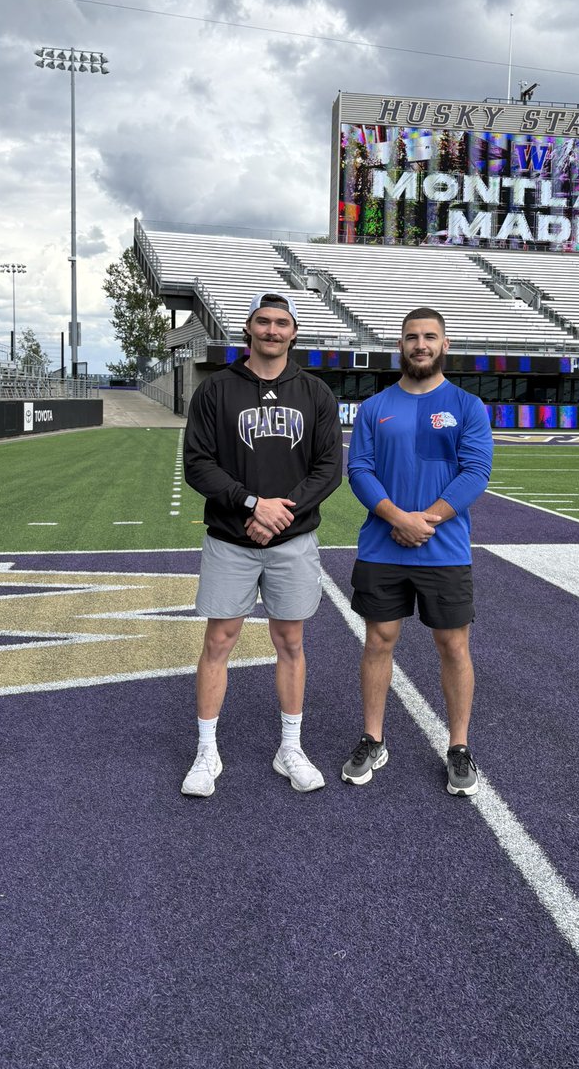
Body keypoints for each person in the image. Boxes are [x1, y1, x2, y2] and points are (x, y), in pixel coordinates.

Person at [182, 291, 342, 797]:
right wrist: (254, 505)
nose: (272, 330)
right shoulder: (216, 390)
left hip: (291, 539)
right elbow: (198, 464)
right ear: (248, 328)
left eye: (282, 323)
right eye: (263, 322)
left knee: (290, 642)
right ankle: (207, 751)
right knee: (219, 641)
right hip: (232, 538)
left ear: (294, 332)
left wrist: (278, 514)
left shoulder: (315, 392)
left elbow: (327, 470)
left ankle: (289, 748)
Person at [342, 307, 493, 796]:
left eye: (430, 337)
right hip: (383, 547)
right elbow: (360, 470)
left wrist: (425, 520)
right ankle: (373, 738)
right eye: (411, 337)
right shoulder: (374, 407)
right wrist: (397, 518)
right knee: (378, 640)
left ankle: (460, 746)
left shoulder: (467, 406)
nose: (420, 345)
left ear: (445, 344)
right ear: (400, 345)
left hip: (444, 549)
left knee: (453, 646)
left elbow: (475, 473)